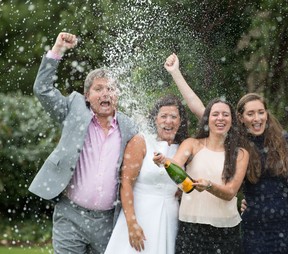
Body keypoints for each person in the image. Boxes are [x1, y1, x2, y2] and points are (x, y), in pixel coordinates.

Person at [164, 53, 288, 253]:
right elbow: (199, 108)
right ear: (240, 118)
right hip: (253, 220)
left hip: (285, 217)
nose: (257, 118)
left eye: (261, 112)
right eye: (250, 114)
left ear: (267, 114)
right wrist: (176, 73)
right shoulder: (238, 139)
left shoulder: (283, 140)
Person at [28, 32, 137, 254]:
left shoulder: (129, 127)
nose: (106, 93)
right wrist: (57, 49)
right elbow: (43, 90)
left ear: (117, 95)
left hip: (107, 221)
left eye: (111, 89)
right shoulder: (74, 110)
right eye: (99, 89)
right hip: (70, 216)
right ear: (87, 95)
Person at [153, 98, 252, 254]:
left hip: (226, 233)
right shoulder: (192, 144)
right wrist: (163, 161)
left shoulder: (240, 153)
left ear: (232, 120)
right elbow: (176, 165)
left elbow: (230, 192)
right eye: (215, 114)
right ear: (207, 119)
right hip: (191, 229)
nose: (220, 118)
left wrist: (209, 186)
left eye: (225, 115)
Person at [105, 95, 189, 253]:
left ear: (180, 121)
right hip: (141, 214)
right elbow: (126, 183)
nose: (168, 121)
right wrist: (132, 224)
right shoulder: (142, 141)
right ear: (155, 119)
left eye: (173, 117)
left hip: (170, 217)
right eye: (163, 116)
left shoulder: (184, 149)